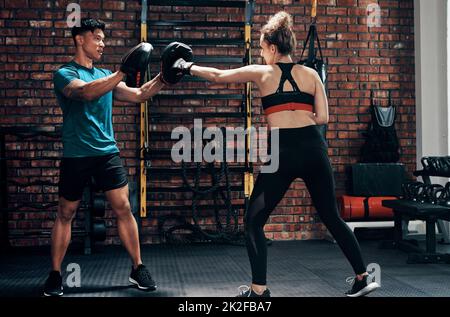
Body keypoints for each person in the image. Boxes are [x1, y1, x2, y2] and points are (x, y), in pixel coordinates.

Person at [166, 11, 380, 297]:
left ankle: (259, 290)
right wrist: (296, 110)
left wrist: (185, 65)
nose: (261, 53)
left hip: (283, 152)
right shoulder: (312, 74)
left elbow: (218, 76)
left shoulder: (263, 73)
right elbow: (323, 117)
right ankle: (363, 277)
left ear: (273, 48)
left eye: (262, 48)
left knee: (254, 221)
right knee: (331, 216)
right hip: (315, 149)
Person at [44, 18, 165, 296]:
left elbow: (138, 95)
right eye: (97, 38)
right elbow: (84, 93)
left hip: (106, 153)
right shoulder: (64, 73)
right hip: (77, 154)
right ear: (80, 39)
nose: (102, 43)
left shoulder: (106, 74)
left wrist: (164, 77)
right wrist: (121, 73)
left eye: (103, 39)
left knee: (123, 208)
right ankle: (55, 274)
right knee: (66, 213)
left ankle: (137, 268)